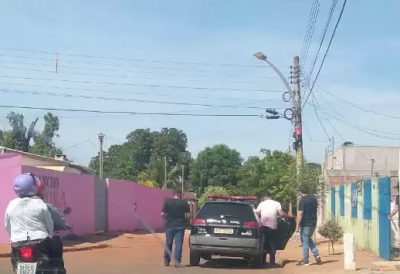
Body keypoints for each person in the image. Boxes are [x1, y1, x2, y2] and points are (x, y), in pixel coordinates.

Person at [4, 173, 54, 270]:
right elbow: (49, 223)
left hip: (18, 242)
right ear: (34, 187)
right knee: (51, 262)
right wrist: (50, 235)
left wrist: (13, 238)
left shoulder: (11, 204)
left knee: (17, 265)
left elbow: (7, 224)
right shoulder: (40, 203)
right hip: (40, 241)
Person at [36, 179, 70, 272]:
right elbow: (58, 220)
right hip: (45, 240)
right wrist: (65, 225)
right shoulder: (46, 206)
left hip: (19, 241)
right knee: (57, 262)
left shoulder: (14, 205)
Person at [255, 192, 290, 267]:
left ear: (264, 197)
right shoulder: (276, 203)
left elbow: (257, 213)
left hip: (263, 227)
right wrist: (289, 216)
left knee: (263, 244)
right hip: (272, 227)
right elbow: (281, 214)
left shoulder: (262, 204)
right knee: (272, 245)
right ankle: (272, 262)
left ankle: (262, 261)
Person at [161, 190, 191, 268]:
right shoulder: (184, 203)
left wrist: (167, 219)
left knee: (169, 242)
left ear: (174, 194)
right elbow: (188, 216)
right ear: (180, 195)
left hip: (170, 225)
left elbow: (162, 214)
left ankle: (167, 260)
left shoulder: (167, 201)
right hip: (181, 225)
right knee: (178, 243)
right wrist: (186, 222)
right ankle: (177, 261)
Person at [296, 183, 322, 266]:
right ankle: (316, 255)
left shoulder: (302, 200)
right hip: (313, 223)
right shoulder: (314, 199)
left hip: (305, 224)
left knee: (305, 242)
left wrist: (297, 225)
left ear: (300, 192)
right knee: (308, 239)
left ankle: (305, 260)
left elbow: (300, 213)